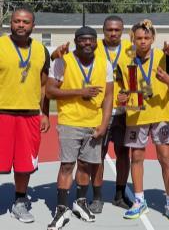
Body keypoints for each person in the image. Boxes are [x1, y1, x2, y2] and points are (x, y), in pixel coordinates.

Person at [46, 26, 113, 229]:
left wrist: (104, 124)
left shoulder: (104, 64)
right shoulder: (62, 61)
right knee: (67, 165)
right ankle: (61, 209)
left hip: (94, 122)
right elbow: (49, 91)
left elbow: (109, 96)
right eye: (83, 40)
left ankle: (80, 202)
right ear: (76, 41)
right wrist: (79, 92)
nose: (87, 43)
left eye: (91, 40)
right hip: (70, 122)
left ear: (96, 42)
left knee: (86, 165)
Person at [118, 19, 169, 221]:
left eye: (147, 37)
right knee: (136, 158)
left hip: (161, 114)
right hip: (136, 114)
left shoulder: (165, 57)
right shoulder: (125, 60)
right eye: (139, 38)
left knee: (165, 158)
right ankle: (139, 200)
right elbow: (124, 90)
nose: (143, 41)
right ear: (133, 39)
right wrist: (122, 97)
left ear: (153, 38)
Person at [0, 7, 50, 223]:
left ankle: (20, 202)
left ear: (33, 26)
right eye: (17, 21)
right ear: (10, 23)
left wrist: (45, 113)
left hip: (30, 114)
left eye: (26, 22)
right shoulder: (0, 45)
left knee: (24, 164)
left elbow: (44, 85)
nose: (21, 25)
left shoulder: (41, 50)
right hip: (2, 112)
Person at [89, 15, 132, 213]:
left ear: (122, 31)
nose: (113, 33)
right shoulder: (92, 47)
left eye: (117, 30)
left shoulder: (131, 50)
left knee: (124, 154)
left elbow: (137, 79)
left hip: (124, 112)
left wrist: (131, 97)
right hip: (100, 111)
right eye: (109, 30)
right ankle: (97, 197)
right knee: (98, 154)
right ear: (103, 30)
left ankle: (119, 195)